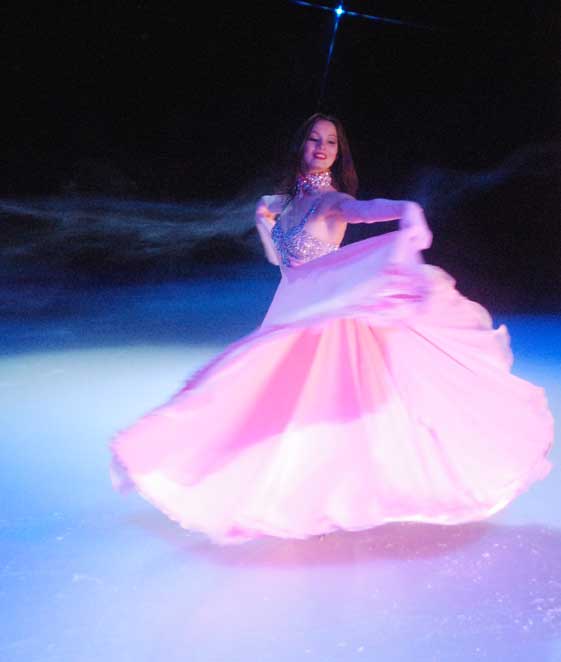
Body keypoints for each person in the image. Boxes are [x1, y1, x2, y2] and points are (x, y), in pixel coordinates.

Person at [110, 112, 554, 545]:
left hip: (327, 322)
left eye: (331, 142)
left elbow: (365, 211)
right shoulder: (282, 204)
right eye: (314, 139)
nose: (322, 148)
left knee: (321, 409)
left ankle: (330, 500)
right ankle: (251, 485)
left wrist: (406, 209)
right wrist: (265, 219)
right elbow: (276, 250)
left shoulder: (332, 202)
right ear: (300, 146)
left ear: (339, 153)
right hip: (289, 315)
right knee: (261, 402)